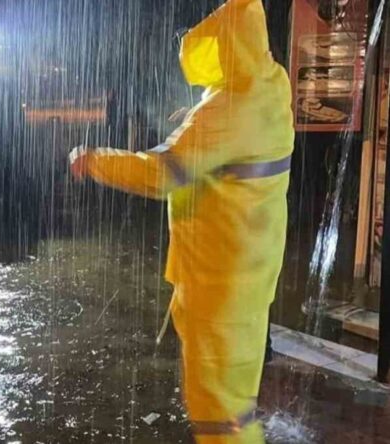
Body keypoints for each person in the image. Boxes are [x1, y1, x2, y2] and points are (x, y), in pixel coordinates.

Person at [69, 0, 294, 442]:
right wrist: (198, 124)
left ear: (229, 48)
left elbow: (161, 174)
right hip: (248, 266)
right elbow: (233, 142)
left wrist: (93, 160)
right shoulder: (269, 82)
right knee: (235, 402)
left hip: (219, 277)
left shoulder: (228, 110)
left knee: (218, 412)